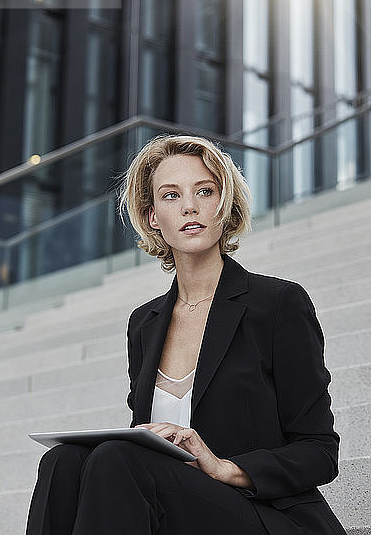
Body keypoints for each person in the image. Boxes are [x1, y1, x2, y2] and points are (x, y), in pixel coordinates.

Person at [25, 133, 347, 535]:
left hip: (266, 515)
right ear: (154, 216)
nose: (190, 206)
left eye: (204, 191)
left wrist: (226, 468)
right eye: (171, 195)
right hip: (180, 507)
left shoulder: (278, 303)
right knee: (64, 461)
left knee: (115, 459)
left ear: (223, 204)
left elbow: (319, 451)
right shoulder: (144, 323)